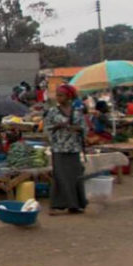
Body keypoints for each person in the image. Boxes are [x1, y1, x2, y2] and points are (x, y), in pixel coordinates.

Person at [44, 84, 88, 215]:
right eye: (57, 95)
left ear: (69, 97)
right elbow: (46, 128)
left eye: (61, 95)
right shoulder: (52, 112)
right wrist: (57, 126)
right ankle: (56, 205)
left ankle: (74, 205)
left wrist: (77, 129)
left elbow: (84, 128)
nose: (58, 98)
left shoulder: (77, 112)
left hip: (73, 148)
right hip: (59, 148)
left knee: (75, 177)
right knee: (60, 176)